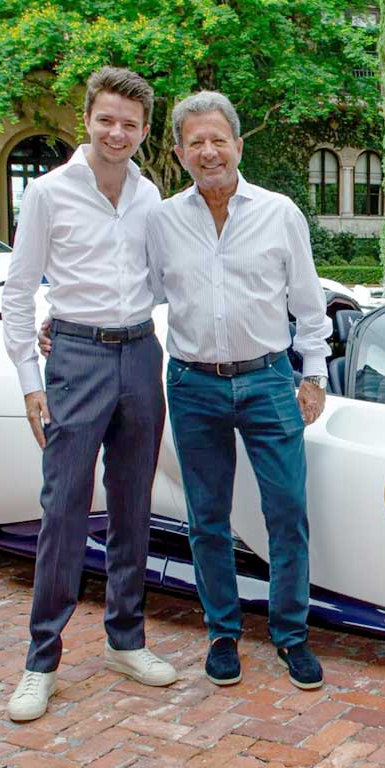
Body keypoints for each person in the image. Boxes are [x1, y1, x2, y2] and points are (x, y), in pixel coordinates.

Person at [1, 67, 177, 722]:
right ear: (88, 119)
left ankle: (125, 641)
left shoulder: (151, 197)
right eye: (106, 119)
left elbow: (164, 282)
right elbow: (19, 291)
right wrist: (30, 380)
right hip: (76, 357)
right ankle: (40, 660)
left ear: (144, 130)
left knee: (133, 506)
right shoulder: (49, 193)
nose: (116, 133)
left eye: (129, 124)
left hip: (141, 353)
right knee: (64, 509)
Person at [146, 91, 331, 690]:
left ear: (238, 145)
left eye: (218, 139)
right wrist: (65, 318)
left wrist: (314, 375)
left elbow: (309, 304)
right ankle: (222, 633)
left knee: (287, 512)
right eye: (195, 142)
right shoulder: (163, 221)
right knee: (206, 517)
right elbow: (136, 291)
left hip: (268, 380)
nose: (209, 152)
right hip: (192, 384)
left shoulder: (279, 213)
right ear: (180, 153)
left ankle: (292, 635)